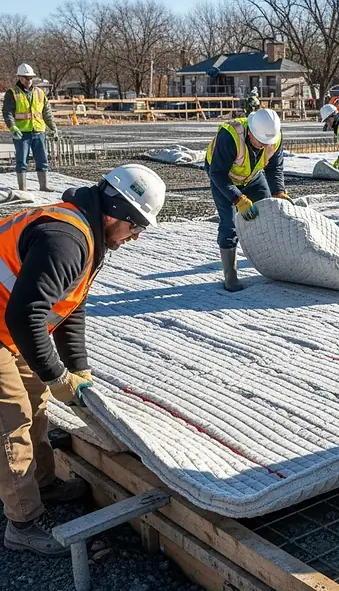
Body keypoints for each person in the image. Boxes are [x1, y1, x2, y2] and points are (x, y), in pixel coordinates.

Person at [0, 164, 166, 556]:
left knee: (36, 399)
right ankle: (21, 523)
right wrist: (58, 375)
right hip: (9, 322)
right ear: (115, 215)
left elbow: (70, 306)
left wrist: (77, 367)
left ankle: (43, 481)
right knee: (12, 419)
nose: (135, 237)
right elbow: (25, 316)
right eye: (135, 227)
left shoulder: (88, 235)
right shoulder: (66, 239)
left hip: (10, 322)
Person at [204, 108, 289, 292]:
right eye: (260, 141)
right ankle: (231, 276)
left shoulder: (274, 137)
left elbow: (275, 169)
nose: (264, 145)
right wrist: (238, 199)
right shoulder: (231, 135)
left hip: (252, 177)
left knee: (269, 213)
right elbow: (217, 174)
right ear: (250, 130)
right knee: (229, 224)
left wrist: (279, 192)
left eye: (267, 142)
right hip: (223, 176)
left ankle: (274, 264)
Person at [3, 63, 58, 192]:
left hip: (39, 131)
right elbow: (7, 113)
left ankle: (43, 185)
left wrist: (53, 127)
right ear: (20, 78)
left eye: (31, 78)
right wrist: (13, 127)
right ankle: (23, 188)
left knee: (42, 159)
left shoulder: (39, 93)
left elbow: (46, 112)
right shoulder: (12, 93)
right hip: (22, 133)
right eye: (26, 78)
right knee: (22, 161)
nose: (29, 81)